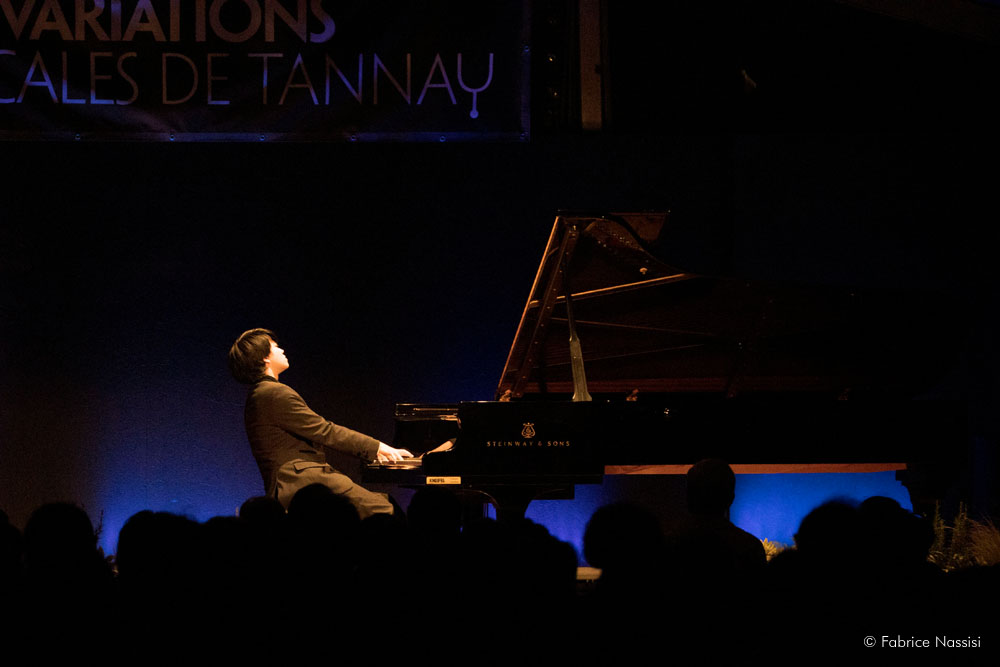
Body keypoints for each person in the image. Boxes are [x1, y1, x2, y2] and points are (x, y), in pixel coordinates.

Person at [228, 328, 411, 518]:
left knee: (385, 503)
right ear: (265, 358)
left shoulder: (260, 394)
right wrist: (377, 448)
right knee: (385, 511)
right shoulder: (273, 393)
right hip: (300, 481)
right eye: (275, 346)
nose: (282, 350)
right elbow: (325, 431)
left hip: (292, 482)